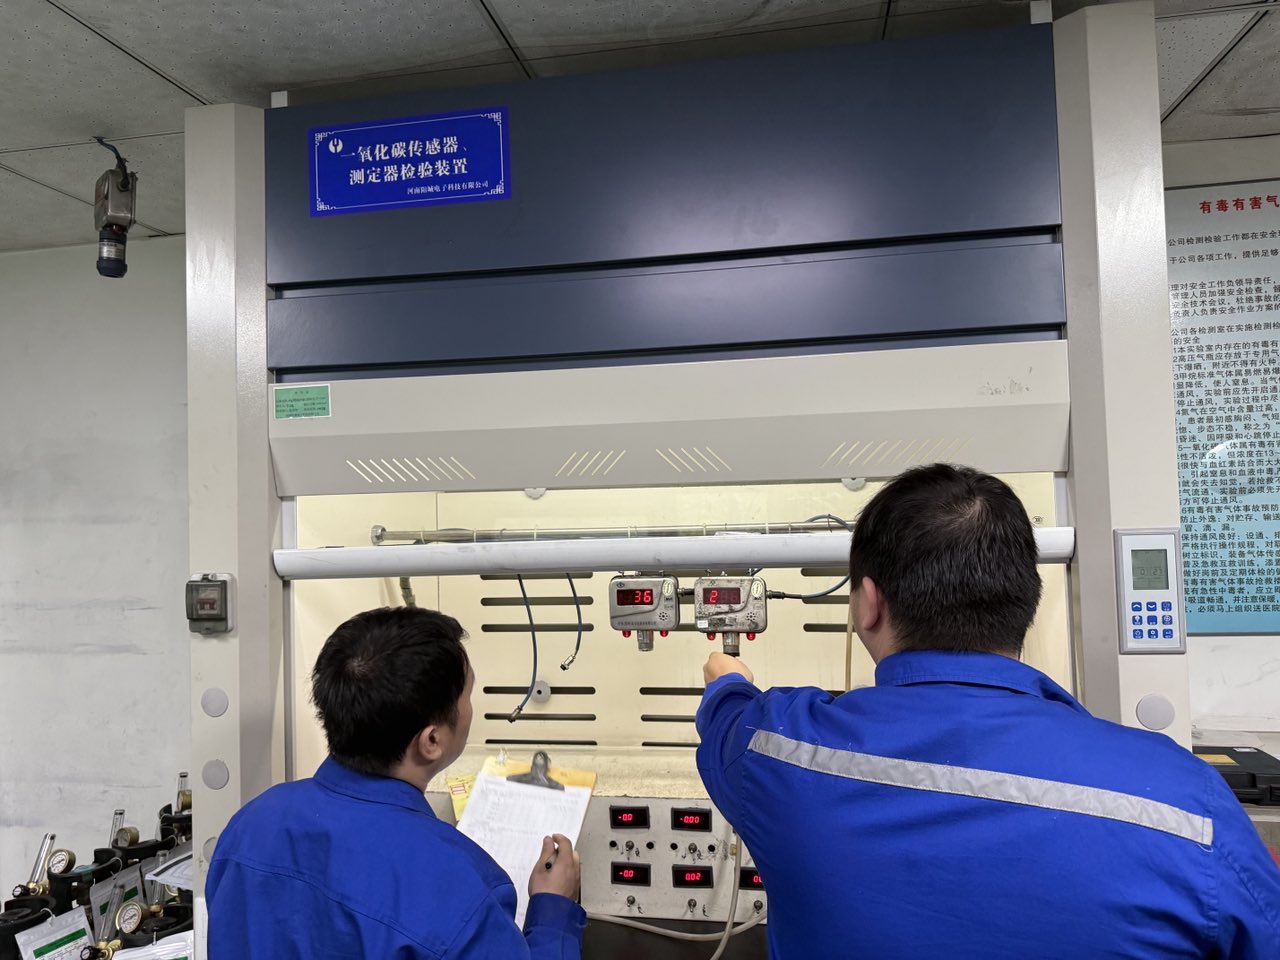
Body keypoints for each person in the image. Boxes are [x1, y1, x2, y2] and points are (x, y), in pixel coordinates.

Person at [697, 463, 1280, 959]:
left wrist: (728, 674)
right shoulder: (1190, 803)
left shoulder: (775, 751)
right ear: (1026, 599)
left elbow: (726, 708)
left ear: (868, 604)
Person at [207, 606, 584, 958]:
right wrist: (554, 913)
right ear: (431, 741)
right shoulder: (461, 890)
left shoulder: (250, 826)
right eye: (468, 695)